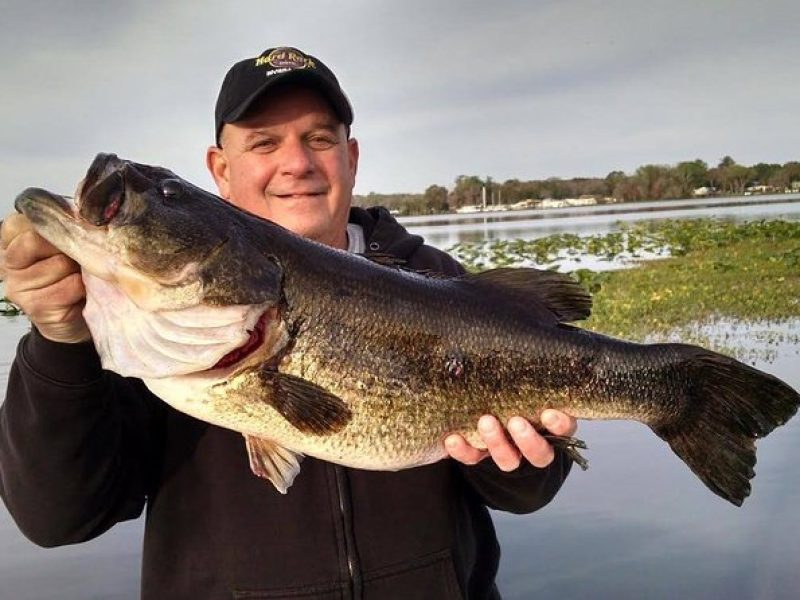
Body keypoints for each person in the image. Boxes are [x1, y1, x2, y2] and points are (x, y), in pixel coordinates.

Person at [0, 46, 577, 599]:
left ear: (350, 158)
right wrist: (59, 341)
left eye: (319, 138)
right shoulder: (129, 329)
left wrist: (521, 465)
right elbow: (59, 519)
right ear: (220, 171)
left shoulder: (442, 284)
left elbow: (527, 492)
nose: (296, 163)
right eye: (264, 143)